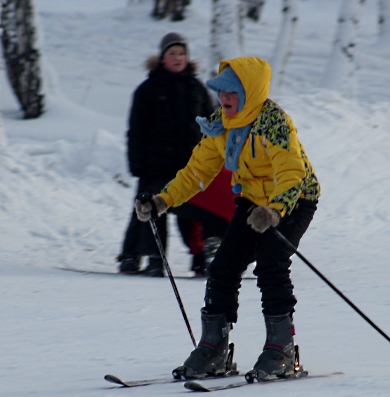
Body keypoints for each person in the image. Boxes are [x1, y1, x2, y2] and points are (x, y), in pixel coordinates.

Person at [135, 56, 321, 380]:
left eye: (232, 93)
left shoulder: (273, 122)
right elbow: (196, 171)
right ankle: (213, 348)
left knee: (271, 263)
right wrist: (163, 199)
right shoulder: (222, 124)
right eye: (221, 92)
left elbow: (292, 172)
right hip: (253, 202)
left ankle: (281, 349)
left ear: (249, 92)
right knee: (223, 266)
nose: (225, 99)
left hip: (293, 200)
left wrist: (275, 211)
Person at [117, 32, 217, 277]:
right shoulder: (148, 89)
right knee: (149, 209)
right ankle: (147, 257)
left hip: (190, 165)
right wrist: (137, 163)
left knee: (196, 213)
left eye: (181, 53)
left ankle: (204, 256)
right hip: (156, 165)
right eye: (172, 53)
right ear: (162, 57)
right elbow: (136, 129)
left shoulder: (197, 89)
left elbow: (214, 125)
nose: (177, 57)